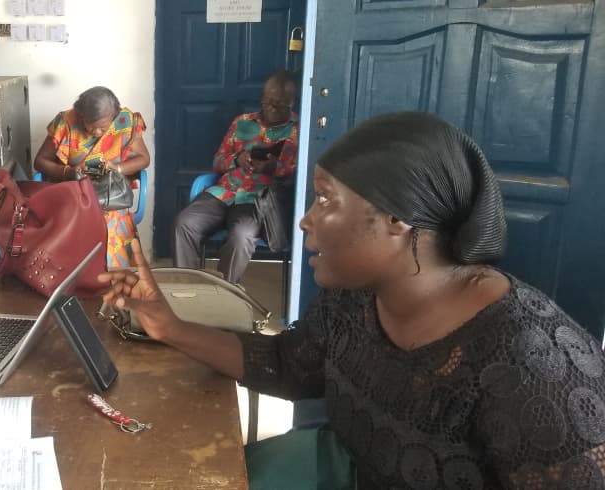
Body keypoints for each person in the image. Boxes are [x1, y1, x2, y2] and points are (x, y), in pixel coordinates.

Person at [102, 112, 605, 488]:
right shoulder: (356, 299)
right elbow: (289, 366)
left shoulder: (539, 369)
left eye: (325, 199)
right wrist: (167, 325)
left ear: (397, 217)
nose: (305, 220)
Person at [173, 70, 299, 284]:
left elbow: (297, 173)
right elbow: (217, 161)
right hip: (224, 192)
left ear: (291, 103)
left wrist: (272, 167)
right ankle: (189, 289)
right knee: (184, 222)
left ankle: (224, 292)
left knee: (242, 235)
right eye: (267, 101)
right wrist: (236, 159)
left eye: (278, 104)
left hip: (257, 200)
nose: (270, 107)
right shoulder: (242, 122)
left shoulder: (297, 131)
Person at [34, 86, 151, 268]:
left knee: (111, 222)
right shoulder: (66, 122)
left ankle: (114, 275)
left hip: (111, 197)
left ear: (114, 117)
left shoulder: (126, 122)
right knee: (75, 221)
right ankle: (75, 277)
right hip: (73, 193)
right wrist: (68, 171)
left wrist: (117, 168)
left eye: (103, 128)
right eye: (91, 125)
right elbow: (40, 161)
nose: (96, 132)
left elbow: (144, 159)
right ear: (81, 115)